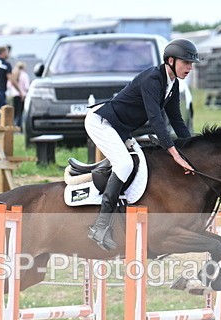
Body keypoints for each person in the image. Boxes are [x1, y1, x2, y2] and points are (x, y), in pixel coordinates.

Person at [83, 38, 199, 251]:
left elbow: (177, 120)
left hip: (120, 128)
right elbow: (156, 120)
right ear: (171, 61)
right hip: (101, 122)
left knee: (140, 162)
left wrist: (193, 148)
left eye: (192, 64)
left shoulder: (173, 85)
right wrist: (175, 154)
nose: (190, 68)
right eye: (186, 63)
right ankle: (100, 226)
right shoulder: (152, 80)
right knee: (125, 165)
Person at [9, 61, 30, 129]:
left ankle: (14, 126)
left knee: (15, 113)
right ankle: (19, 127)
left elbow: (9, 85)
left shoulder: (13, 74)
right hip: (22, 96)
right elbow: (27, 87)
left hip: (14, 95)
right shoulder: (24, 75)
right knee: (20, 113)